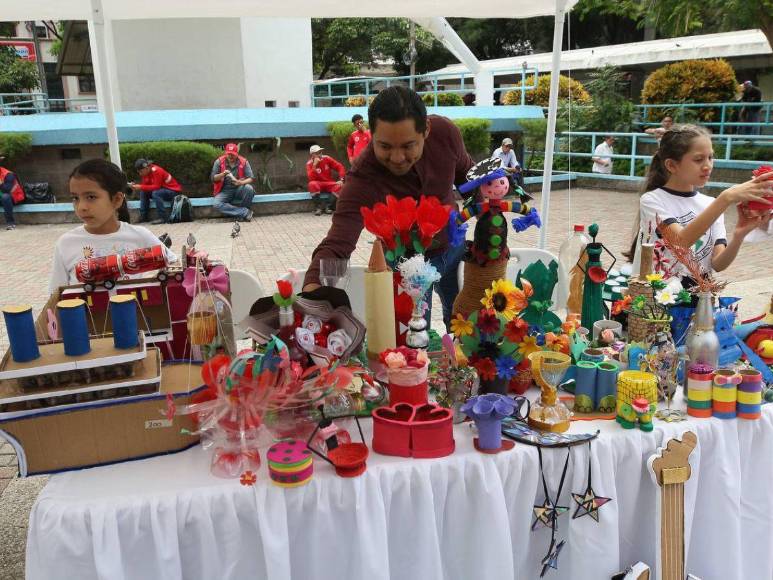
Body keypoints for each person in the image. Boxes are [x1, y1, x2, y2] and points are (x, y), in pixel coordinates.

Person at [303, 85, 475, 329]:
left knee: (460, 320)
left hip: (454, 249)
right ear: (371, 134)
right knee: (413, 337)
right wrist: (312, 293)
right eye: (384, 146)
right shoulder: (364, 177)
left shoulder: (445, 134)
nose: (397, 158)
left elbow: (471, 179)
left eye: (408, 146)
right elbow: (338, 243)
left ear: (426, 130)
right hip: (405, 268)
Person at [630, 125, 772, 287]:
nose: (708, 165)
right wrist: (725, 198)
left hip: (700, 299)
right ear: (671, 165)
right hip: (658, 302)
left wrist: (739, 235)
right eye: (698, 159)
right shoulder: (652, 200)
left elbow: (718, 264)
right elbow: (680, 242)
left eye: (710, 157)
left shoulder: (711, 203)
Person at [49, 159, 177, 292]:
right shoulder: (66, 243)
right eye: (75, 198)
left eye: (91, 197)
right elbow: (55, 293)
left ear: (116, 199)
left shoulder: (139, 235)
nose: (81, 207)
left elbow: (174, 264)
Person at [129, 158, 182, 224]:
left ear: (147, 168)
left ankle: (163, 218)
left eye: (141, 172)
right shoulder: (145, 174)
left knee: (156, 193)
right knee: (143, 192)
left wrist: (140, 187)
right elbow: (145, 187)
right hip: (162, 191)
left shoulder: (156, 171)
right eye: (139, 172)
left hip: (173, 191)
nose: (140, 174)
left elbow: (157, 186)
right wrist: (136, 186)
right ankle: (144, 217)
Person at [211, 143, 254, 222]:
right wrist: (222, 174)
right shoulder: (219, 162)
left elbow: (251, 178)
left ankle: (243, 214)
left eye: (232, 154)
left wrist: (240, 183)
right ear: (225, 153)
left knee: (249, 189)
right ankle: (245, 212)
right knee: (216, 204)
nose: (230, 156)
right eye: (228, 154)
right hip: (224, 190)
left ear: (237, 154)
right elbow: (213, 178)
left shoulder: (243, 161)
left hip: (239, 188)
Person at [306, 145, 345, 216]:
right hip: (317, 183)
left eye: (320, 152)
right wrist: (314, 165)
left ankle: (328, 207)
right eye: (317, 153)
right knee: (312, 184)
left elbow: (340, 167)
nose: (320, 154)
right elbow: (311, 178)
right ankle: (318, 208)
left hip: (328, 182)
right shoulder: (309, 164)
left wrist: (341, 179)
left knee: (339, 185)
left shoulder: (327, 158)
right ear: (312, 155)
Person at [0, 156, 24, 231]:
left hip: (14, 198)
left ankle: (10, 222)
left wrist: (0, 183)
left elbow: (7, 190)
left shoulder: (8, 174)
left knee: (5, 197)